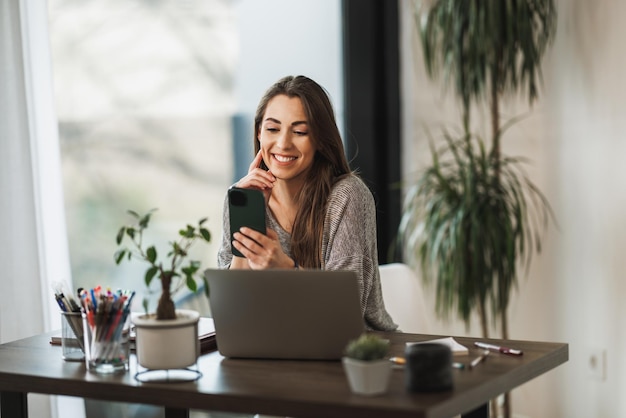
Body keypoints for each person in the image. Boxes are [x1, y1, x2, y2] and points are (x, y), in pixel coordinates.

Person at [218, 75, 397, 332]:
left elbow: (344, 314)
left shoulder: (347, 196)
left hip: (358, 353)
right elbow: (232, 314)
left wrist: (283, 268)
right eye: (272, 129)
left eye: (300, 131)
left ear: (320, 140)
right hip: (274, 347)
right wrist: (248, 217)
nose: (283, 143)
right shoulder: (243, 196)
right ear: (259, 132)